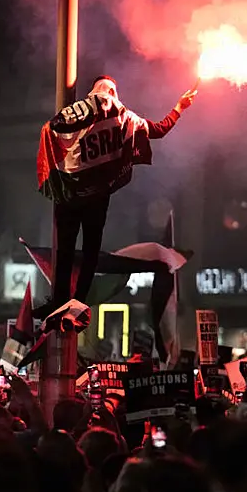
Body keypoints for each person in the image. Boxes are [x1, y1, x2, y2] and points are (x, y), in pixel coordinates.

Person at [34, 76, 197, 318]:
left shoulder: (81, 110)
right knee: (90, 252)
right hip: (97, 198)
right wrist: (179, 108)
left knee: (64, 251)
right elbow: (159, 130)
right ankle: (78, 301)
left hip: (70, 194)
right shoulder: (126, 118)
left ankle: (59, 301)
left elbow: (55, 126)